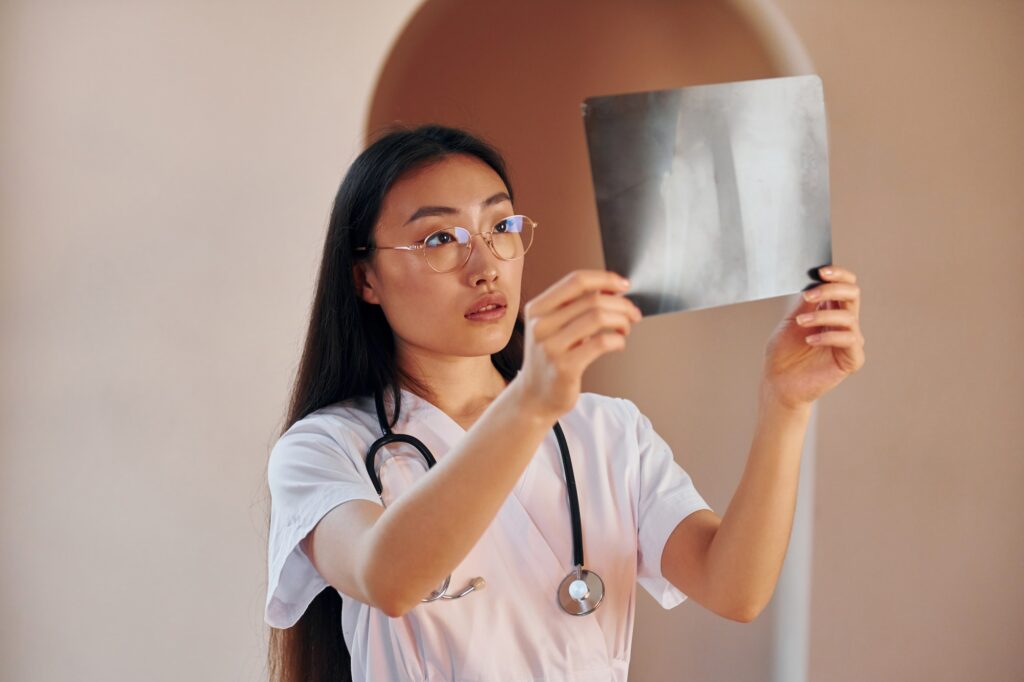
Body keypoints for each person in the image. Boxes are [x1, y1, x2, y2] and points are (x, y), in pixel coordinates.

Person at [263, 124, 866, 682]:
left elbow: (733, 588)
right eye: (440, 238)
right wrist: (530, 400)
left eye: (501, 227)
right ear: (365, 278)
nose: (485, 267)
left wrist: (786, 405)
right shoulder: (322, 448)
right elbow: (387, 577)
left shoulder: (608, 429)